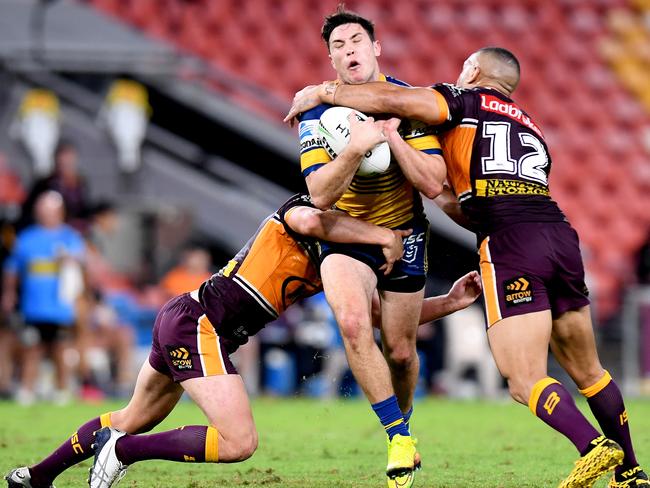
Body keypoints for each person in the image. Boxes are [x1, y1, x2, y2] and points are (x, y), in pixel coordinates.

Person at [285, 46, 649, 488]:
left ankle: (593, 446)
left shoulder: (464, 99)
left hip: (512, 241)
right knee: (590, 371)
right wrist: (429, 184)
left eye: (464, 67)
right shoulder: (528, 125)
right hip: (559, 235)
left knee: (523, 378)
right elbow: (465, 202)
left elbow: (400, 101)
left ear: (474, 70)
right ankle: (632, 473)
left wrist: (324, 92)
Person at [4, 193, 481, 488]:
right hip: (198, 323)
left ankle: (40, 475)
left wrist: (450, 302)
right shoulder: (303, 210)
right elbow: (313, 222)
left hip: (187, 318)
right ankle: (123, 451)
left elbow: (377, 315)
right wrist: (384, 235)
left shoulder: (333, 263)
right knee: (239, 441)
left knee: (130, 417)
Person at [296, 8, 447, 486]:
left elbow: (433, 182)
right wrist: (356, 147)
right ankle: (398, 439)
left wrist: (390, 137)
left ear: (376, 48)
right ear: (331, 59)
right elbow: (319, 194)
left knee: (401, 353)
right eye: (338, 46)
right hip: (348, 236)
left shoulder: (407, 100)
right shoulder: (315, 115)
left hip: (407, 233)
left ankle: (401, 433)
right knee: (354, 321)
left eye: (356, 41)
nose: (349, 51)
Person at [2, 191, 86, 406]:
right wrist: (9, 294)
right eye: (43, 210)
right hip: (33, 307)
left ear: (60, 212)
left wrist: (70, 258)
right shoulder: (27, 239)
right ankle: (27, 390)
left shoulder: (69, 237)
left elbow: (82, 262)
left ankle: (62, 390)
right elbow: (13, 269)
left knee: (59, 348)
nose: (47, 214)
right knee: (33, 347)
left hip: (60, 308)